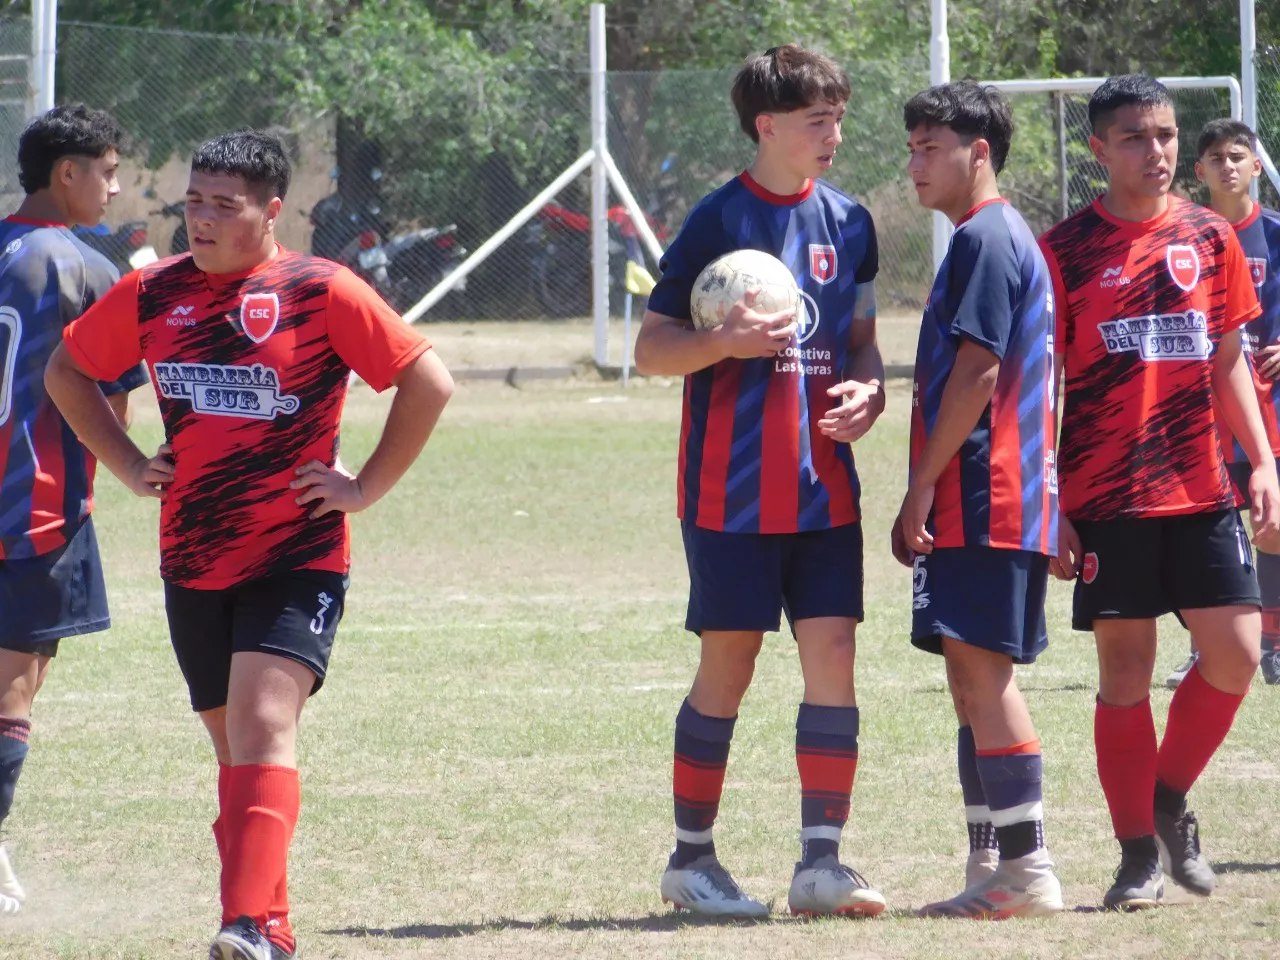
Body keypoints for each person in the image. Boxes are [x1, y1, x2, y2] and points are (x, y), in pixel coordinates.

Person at [44, 130, 455, 960]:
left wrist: (363, 486)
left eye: (223, 206)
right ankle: (269, 925)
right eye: (194, 200)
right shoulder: (155, 292)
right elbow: (66, 372)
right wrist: (127, 463)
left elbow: (427, 379)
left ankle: (238, 925)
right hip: (192, 554)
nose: (199, 218)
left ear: (271, 212)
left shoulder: (320, 290)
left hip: (295, 552)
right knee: (235, 753)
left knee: (266, 724)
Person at [634, 44, 886, 919]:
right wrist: (721, 345)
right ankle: (692, 862)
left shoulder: (851, 223)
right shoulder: (715, 222)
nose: (835, 135)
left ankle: (822, 864)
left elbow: (858, 340)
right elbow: (651, 348)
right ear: (766, 125)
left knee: (836, 660)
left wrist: (870, 390)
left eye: (839, 118)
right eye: (818, 121)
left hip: (826, 490)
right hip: (731, 494)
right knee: (729, 666)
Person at [1040, 74, 1280, 911]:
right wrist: (1053, 501)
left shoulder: (1211, 238)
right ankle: (1137, 854)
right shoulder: (1064, 248)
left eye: (1168, 135)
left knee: (1238, 652)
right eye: (1137, 138)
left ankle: (1166, 796)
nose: (1159, 151)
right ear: (1099, 148)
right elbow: (1043, 387)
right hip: (1109, 492)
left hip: (1202, 483)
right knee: (1126, 673)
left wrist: (1262, 460)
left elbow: (1227, 362)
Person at [894, 80, 1063, 919]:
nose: (915, 161)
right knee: (969, 677)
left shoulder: (989, 239)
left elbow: (981, 370)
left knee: (985, 676)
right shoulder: (978, 237)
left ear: (979, 153)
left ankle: (1027, 872)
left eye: (932, 147)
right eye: (913, 145)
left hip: (983, 493)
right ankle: (989, 860)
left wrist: (920, 485)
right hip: (989, 495)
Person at [0, 104, 147, 915]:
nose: (114, 187)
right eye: (109, 170)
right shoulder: (83, 265)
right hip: (35, 513)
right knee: (10, 695)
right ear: (69, 173)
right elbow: (116, 406)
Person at [1166, 119, 1280, 688]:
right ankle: (1202, 647)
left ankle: (1273, 643)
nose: (1229, 165)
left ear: (1257, 167)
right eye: (1216, 157)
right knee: (1204, 532)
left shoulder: (1277, 236)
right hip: (1200, 412)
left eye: (1239, 156)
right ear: (1200, 170)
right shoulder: (1185, 237)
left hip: (1268, 409)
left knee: (1272, 525)